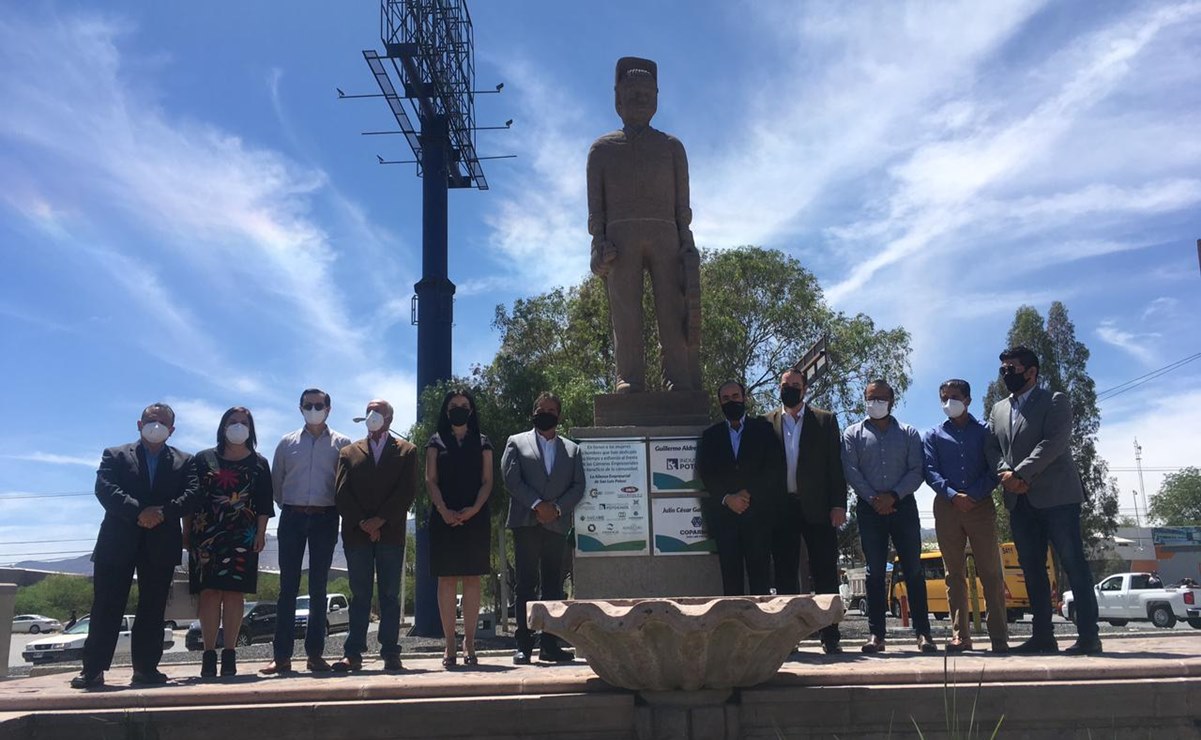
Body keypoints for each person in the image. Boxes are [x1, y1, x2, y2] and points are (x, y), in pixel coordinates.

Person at [586, 56, 701, 393]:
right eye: (632, 92)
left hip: (666, 234)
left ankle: (678, 378)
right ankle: (630, 377)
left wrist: (686, 241)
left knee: (673, 308)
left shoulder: (671, 148)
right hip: (621, 239)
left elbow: (683, 207)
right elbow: (597, 213)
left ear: (657, 98)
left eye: (647, 93)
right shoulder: (602, 151)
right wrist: (598, 245)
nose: (639, 98)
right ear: (617, 98)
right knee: (626, 315)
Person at [985, 346, 1101, 655]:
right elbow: (992, 447)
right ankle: (1042, 636)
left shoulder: (1054, 400)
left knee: (1074, 565)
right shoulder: (998, 409)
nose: (1006, 374)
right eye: (1003, 369)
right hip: (1019, 502)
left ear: (1031, 372)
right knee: (1031, 569)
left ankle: (1089, 636)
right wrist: (1005, 473)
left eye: (1012, 368)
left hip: (1057, 499)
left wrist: (1021, 474)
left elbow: (1054, 442)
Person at [71, 403, 193, 689]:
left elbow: (192, 495)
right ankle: (93, 670)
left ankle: (146, 670)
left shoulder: (184, 461)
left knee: (152, 608)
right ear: (139, 424)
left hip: (161, 543)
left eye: (162, 422)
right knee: (106, 606)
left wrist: (161, 512)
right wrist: (139, 511)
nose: (156, 425)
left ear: (172, 430)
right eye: (151, 420)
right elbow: (105, 488)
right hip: (117, 542)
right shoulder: (114, 455)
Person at [261, 388, 351, 676]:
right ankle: (281, 657)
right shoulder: (287, 443)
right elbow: (277, 485)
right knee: (287, 588)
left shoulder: (342, 444)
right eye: (308, 404)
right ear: (300, 408)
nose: (314, 408)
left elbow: (344, 484)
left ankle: (315, 656)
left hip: (326, 518)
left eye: (319, 404)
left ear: (329, 407)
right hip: (292, 518)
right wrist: (295, 507)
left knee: (318, 588)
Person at [842, 379, 937, 654]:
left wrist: (893, 496)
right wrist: (874, 499)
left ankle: (923, 634)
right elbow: (852, 471)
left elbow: (916, 470)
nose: (875, 403)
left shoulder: (908, 433)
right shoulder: (852, 433)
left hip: (903, 507)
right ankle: (876, 636)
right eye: (870, 398)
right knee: (873, 573)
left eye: (880, 398)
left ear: (891, 401)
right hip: (869, 510)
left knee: (914, 570)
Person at [184, 406, 274, 678]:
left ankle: (230, 654)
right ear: (223, 426)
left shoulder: (259, 463)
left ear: (251, 428)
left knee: (235, 595)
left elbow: (263, 505)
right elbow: (190, 500)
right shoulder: (202, 459)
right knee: (209, 594)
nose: (238, 426)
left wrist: (260, 534)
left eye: (244, 422)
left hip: (243, 537)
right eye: (232, 421)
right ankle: (209, 654)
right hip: (206, 536)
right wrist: (186, 532)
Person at [763, 369, 848, 654]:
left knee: (825, 571)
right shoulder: (765, 423)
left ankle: (830, 635)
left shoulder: (825, 420)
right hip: (781, 508)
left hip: (819, 507)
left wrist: (839, 504)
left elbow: (835, 467)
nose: (789, 389)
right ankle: (789, 638)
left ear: (805, 389)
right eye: (785, 385)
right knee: (785, 575)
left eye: (795, 385)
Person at [922, 379, 1007, 653]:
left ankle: (999, 637)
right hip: (947, 508)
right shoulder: (933, 435)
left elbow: (995, 467)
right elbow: (930, 470)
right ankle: (961, 635)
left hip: (980, 506)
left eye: (954, 397)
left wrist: (974, 495)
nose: (949, 403)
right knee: (953, 574)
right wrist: (952, 495)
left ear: (968, 399)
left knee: (991, 572)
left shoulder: (985, 432)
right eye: (944, 398)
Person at [333, 399, 418, 672]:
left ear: (390, 418)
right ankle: (353, 653)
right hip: (357, 535)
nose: (373, 415)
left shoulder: (407, 451)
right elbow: (341, 493)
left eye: (379, 411)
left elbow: (407, 491)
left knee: (390, 595)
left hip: (390, 533)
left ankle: (391, 652)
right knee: (360, 594)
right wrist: (363, 522)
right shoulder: (348, 451)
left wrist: (381, 520)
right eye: (369, 410)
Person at [502, 392, 586, 664]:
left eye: (551, 409)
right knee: (525, 585)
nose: (545, 412)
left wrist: (557, 509)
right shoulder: (516, 442)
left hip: (556, 525)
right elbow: (511, 480)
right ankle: (523, 646)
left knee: (553, 586)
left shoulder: (572, 450)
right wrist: (539, 505)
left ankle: (549, 645)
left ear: (558, 415)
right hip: (526, 522)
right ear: (533, 412)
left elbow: (578, 486)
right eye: (541, 408)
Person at [425, 389, 494, 668]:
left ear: (472, 410)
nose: (459, 409)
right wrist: (443, 510)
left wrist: (474, 509)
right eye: (453, 405)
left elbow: (488, 481)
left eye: (464, 405)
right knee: (447, 580)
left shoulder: (483, 442)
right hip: (444, 517)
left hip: (475, 517)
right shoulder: (435, 442)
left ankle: (470, 641)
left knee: (472, 579)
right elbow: (430, 480)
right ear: (446, 410)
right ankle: (450, 643)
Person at [698, 381, 785, 596]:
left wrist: (748, 494)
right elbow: (706, 472)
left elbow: (774, 467)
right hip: (725, 520)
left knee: (760, 580)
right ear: (719, 402)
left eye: (735, 396)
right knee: (731, 582)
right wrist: (727, 498)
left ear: (744, 398)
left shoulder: (764, 429)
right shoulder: (711, 436)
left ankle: (761, 628)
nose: (731, 401)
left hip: (758, 519)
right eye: (726, 398)